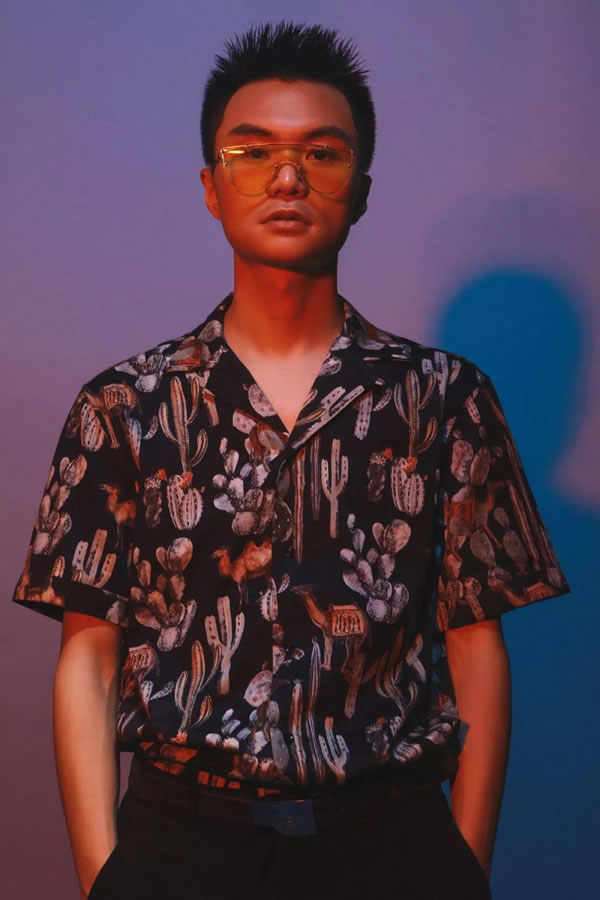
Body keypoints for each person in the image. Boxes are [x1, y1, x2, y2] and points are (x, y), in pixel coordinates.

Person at [11, 20, 571, 900]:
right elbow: (89, 656)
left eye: (321, 153)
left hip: (391, 840)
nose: (286, 178)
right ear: (211, 185)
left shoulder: (444, 398)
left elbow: (476, 643)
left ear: (362, 189)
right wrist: (103, 877)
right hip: (181, 844)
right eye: (252, 152)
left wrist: (464, 865)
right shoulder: (123, 407)